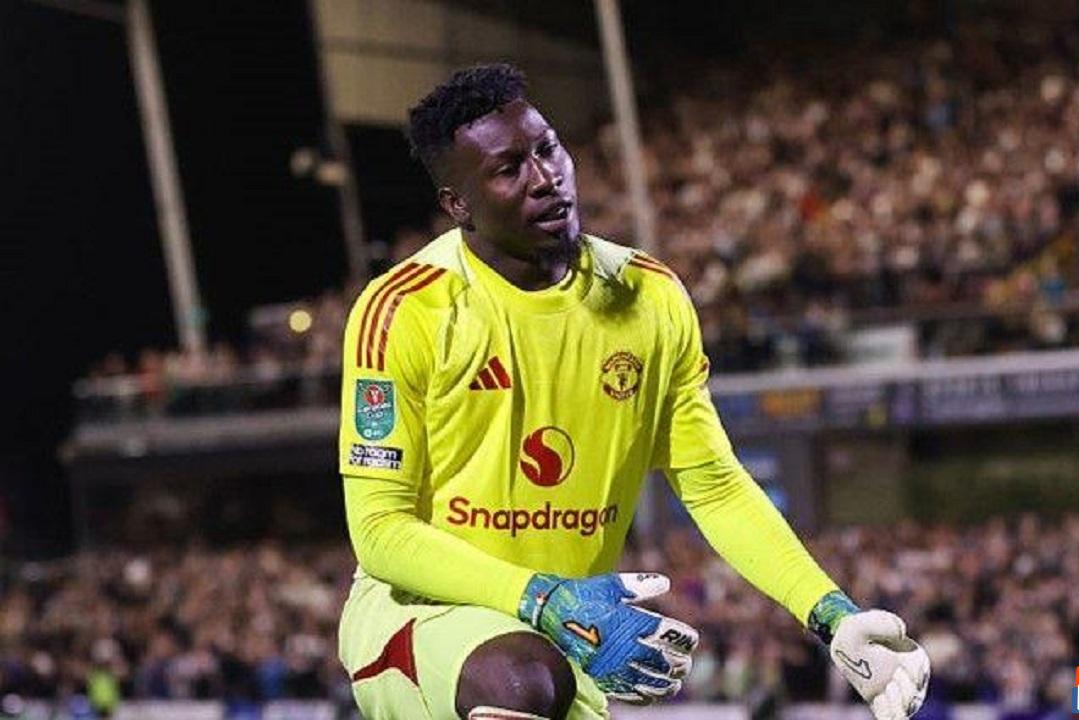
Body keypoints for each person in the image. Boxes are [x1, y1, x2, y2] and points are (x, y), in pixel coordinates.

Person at [335, 63, 930, 720]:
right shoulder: (405, 310)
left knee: (536, 680)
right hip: (419, 622)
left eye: (547, 149)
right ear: (458, 205)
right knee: (521, 683)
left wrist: (831, 613)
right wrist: (541, 598)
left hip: (564, 637)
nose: (544, 177)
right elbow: (380, 531)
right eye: (508, 170)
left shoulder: (650, 298)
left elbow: (714, 487)